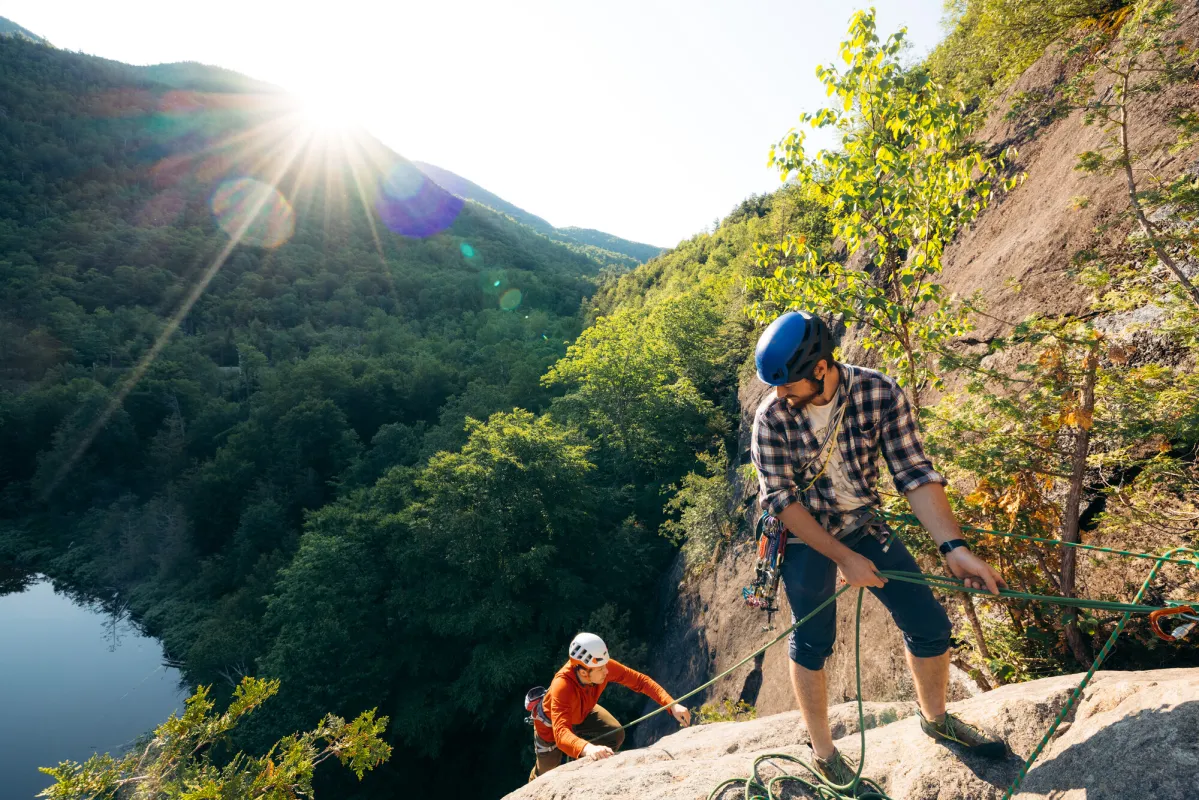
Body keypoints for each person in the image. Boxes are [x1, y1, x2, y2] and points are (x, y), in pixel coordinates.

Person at [749, 311, 1007, 785]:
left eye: (788, 385)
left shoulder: (878, 393)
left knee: (930, 626)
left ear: (822, 368)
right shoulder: (771, 419)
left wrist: (954, 547)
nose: (779, 395)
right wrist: (844, 558)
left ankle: (936, 719)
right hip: (804, 534)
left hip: (861, 520)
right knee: (813, 640)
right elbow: (783, 502)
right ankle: (825, 753)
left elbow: (912, 471)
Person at [528, 632, 691, 782]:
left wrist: (672, 705)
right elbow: (561, 734)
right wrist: (588, 748)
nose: (607, 671)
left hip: (582, 711)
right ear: (584, 672)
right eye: (601, 669)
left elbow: (640, 681)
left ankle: (585, 772)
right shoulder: (562, 686)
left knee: (615, 733)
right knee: (546, 774)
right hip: (551, 727)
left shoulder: (600, 666)